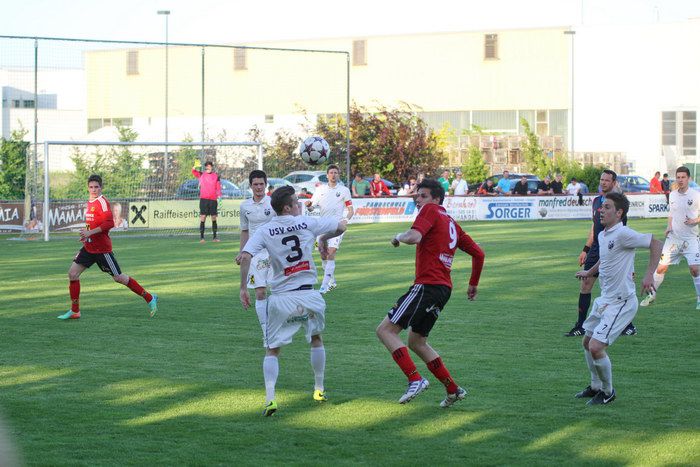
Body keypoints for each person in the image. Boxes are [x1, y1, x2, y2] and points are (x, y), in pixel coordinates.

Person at [239, 185, 348, 416]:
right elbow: (340, 226)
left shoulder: (266, 230)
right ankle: (319, 389)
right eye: (296, 203)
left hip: (281, 298)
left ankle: (270, 399)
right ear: (287, 207)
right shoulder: (307, 223)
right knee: (316, 339)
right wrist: (323, 239)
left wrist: (243, 288)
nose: (299, 205)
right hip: (309, 295)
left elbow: (245, 256)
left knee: (272, 350)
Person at [376, 179, 485, 407]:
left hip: (427, 285)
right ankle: (453, 389)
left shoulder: (430, 210)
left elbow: (414, 237)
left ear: (436, 199)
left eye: (423, 195)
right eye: (417, 195)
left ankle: (415, 379)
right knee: (417, 342)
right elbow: (479, 253)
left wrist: (398, 236)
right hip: (443, 289)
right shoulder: (451, 222)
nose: (418, 199)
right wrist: (473, 283)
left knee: (385, 331)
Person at [574, 192, 661, 405]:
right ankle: (595, 386)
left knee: (596, 347)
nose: (601, 210)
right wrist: (589, 272)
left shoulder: (623, 233)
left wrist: (649, 274)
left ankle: (608, 392)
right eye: (601, 206)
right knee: (587, 342)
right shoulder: (604, 235)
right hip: (605, 300)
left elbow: (656, 243)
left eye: (607, 207)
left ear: (619, 213)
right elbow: (605, 259)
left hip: (622, 302)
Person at [57, 174, 158, 320]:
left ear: (101, 188)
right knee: (72, 274)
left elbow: (109, 223)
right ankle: (75, 311)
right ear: (88, 188)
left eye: (96, 187)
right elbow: (91, 222)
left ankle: (149, 297)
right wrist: (86, 235)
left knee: (119, 278)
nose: (93, 189)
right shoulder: (90, 202)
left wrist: (90, 232)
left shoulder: (102, 202)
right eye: (91, 187)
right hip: (89, 247)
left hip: (102, 250)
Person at [567, 169, 638, 337]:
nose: (603, 182)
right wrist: (585, 249)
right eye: (602, 179)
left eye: (607, 180)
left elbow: (623, 232)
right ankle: (580, 326)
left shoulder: (619, 203)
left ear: (613, 183)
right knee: (585, 284)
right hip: (595, 249)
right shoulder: (596, 201)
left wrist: (630, 264)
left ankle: (628, 325)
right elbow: (594, 227)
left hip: (613, 249)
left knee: (617, 289)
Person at [641, 166, 700, 310]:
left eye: (683, 177)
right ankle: (652, 295)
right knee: (661, 268)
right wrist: (668, 226)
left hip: (691, 239)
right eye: (678, 177)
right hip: (674, 239)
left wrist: (695, 220)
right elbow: (671, 213)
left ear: (688, 178)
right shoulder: (673, 195)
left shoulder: (696, 195)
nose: (680, 180)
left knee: (695, 269)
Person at [236, 170, 275, 343]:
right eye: (255, 184)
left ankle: (277, 323)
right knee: (260, 292)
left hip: (274, 251)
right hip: (256, 253)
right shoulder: (244, 206)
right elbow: (245, 231)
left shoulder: (274, 203)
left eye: (261, 184)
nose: (259, 187)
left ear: (266, 185)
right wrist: (242, 252)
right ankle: (266, 333)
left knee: (278, 291)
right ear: (250, 186)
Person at [305, 165, 354, 294]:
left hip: (337, 226)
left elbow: (350, 210)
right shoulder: (320, 189)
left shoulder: (344, 190)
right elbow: (312, 207)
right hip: (322, 226)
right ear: (327, 175)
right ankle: (331, 281)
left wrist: (345, 220)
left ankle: (324, 286)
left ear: (338, 175)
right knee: (323, 254)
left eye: (335, 173)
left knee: (331, 252)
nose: (333, 175)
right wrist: (309, 206)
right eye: (331, 173)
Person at [192, 161, 222, 243]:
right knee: (203, 217)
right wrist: (195, 166)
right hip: (204, 200)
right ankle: (202, 238)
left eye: (209, 166)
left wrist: (219, 197)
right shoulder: (201, 174)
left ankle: (215, 237)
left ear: (212, 167)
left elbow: (218, 187)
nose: (207, 168)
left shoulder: (216, 176)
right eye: (206, 166)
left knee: (214, 218)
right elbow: (193, 172)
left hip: (213, 200)